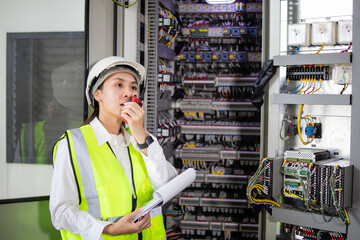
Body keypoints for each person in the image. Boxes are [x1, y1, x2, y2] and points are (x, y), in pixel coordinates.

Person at [49, 56, 178, 240]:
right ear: (97, 94)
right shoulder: (72, 144)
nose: (128, 93)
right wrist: (109, 229)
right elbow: (61, 211)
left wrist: (140, 134)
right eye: (119, 85)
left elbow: (168, 185)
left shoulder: (141, 139)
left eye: (133, 87)